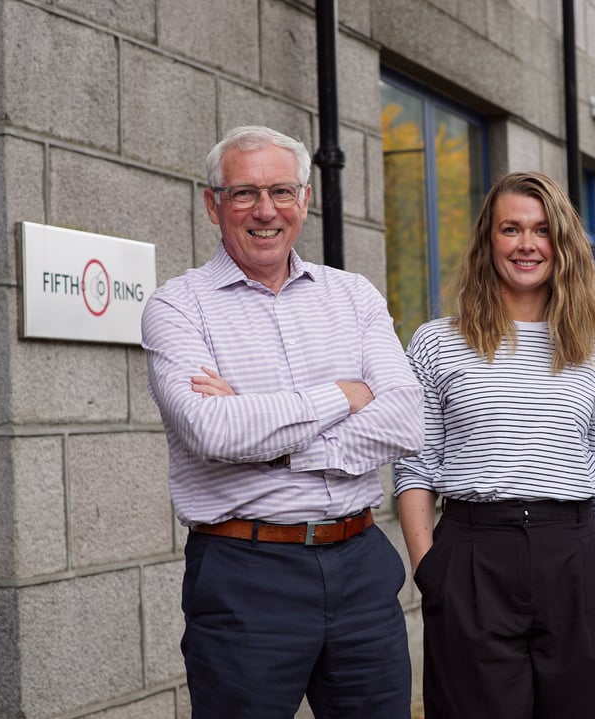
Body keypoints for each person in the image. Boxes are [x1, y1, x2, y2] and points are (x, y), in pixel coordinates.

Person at [141, 125, 423, 718]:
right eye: (243, 193)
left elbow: (405, 419)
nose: (265, 210)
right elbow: (211, 431)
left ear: (306, 198)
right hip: (246, 574)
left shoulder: (354, 296)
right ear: (212, 203)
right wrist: (345, 394)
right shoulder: (177, 306)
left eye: (281, 192)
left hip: (361, 564)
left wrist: (269, 434)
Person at [394, 171, 595, 719]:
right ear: (488, 241)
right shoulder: (437, 342)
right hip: (472, 557)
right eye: (511, 229)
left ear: (563, 245)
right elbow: (414, 465)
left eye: (542, 230)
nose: (527, 244)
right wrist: (428, 568)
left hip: (578, 557)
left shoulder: (594, 346)